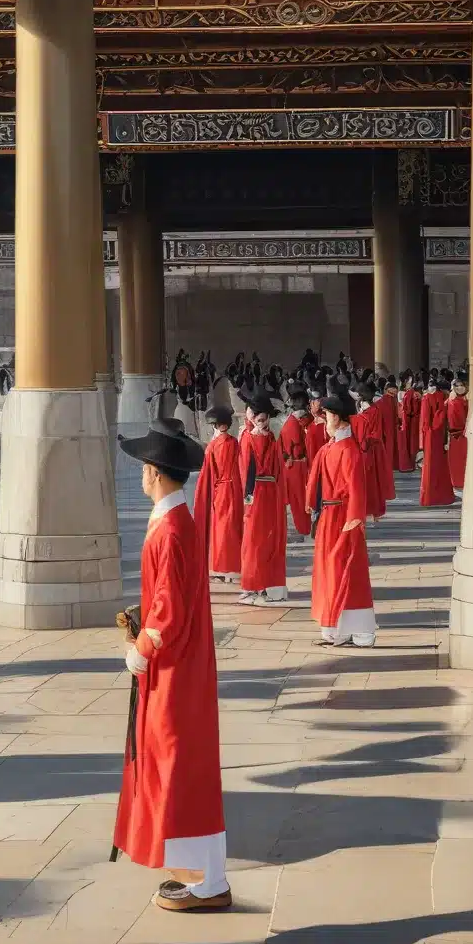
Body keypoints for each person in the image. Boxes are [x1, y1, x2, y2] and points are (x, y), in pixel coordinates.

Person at [112, 418, 230, 912]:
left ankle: (203, 879)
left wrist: (141, 648)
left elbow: (168, 608)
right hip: (187, 662)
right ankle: (201, 873)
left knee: (176, 763)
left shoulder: (171, 530)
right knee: (183, 762)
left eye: (144, 468)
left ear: (156, 473)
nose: (141, 475)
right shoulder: (178, 519)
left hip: (174, 667)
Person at [306, 392, 377, 647]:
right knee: (329, 571)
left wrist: (355, 519)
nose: (324, 420)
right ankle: (337, 625)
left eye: (326, 415)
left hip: (344, 518)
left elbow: (357, 489)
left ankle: (361, 629)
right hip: (329, 516)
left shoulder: (349, 450)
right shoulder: (331, 448)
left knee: (348, 570)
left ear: (337, 417)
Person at [238, 389, 288, 605]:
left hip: (255, 494)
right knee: (271, 540)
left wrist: (246, 498)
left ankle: (252, 585)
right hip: (272, 494)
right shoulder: (274, 438)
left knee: (252, 541)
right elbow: (279, 471)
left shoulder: (247, 438)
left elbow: (244, 469)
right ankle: (270, 585)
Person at [193, 405, 243, 584]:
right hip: (235, 488)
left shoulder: (213, 446)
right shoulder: (235, 443)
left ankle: (221, 567)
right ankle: (235, 567)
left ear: (214, 426)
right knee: (234, 527)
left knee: (220, 530)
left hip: (220, 490)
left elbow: (209, 473)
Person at [350, 380, 389, 520]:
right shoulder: (370, 409)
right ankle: (372, 509)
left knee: (371, 481)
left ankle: (372, 509)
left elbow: (374, 432)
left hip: (369, 449)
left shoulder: (370, 411)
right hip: (369, 448)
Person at [279, 388, 312, 538]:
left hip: (294, 465)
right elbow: (298, 445)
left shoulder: (291, 422)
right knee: (299, 498)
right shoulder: (293, 424)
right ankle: (304, 527)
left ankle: (304, 527)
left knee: (298, 498)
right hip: (297, 465)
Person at [419, 375, 456, 506]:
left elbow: (424, 420)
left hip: (429, 434)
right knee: (440, 465)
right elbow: (440, 419)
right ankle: (442, 495)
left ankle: (429, 496)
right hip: (438, 434)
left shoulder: (426, 398)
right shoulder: (442, 398)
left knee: (429, 466)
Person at [447, 373, 469, 491]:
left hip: (466, 434)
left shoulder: (468, 399)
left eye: (462, 385)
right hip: (454, 435)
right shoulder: (450, 400)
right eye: (457, 385)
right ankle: (455, 481)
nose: (460, 388)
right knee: (455, 462)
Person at [397, 370, 421, 473]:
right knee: (408, 441)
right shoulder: (404, 393)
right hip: (406, 419)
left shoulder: (413, 393)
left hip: (410, 419)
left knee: (411, 441)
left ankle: (411, 462)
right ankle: (409, 462)